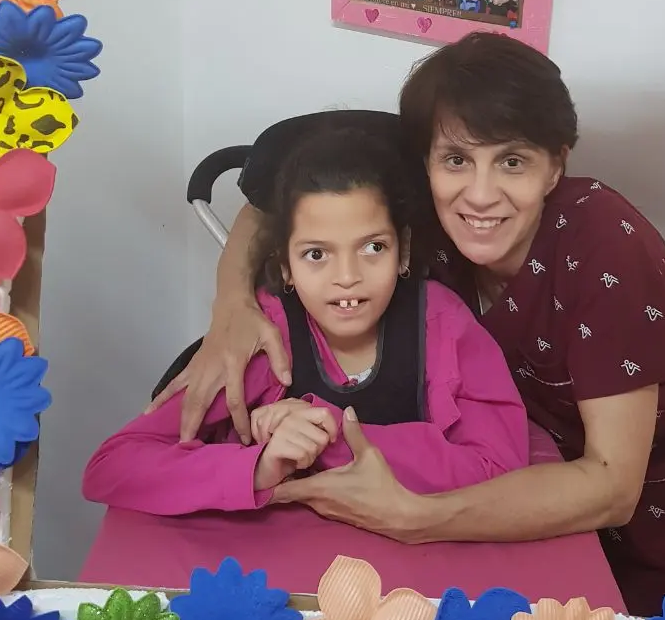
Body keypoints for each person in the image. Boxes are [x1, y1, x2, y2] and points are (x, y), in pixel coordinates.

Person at [151, 33, 665, 616]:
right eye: (456, 160)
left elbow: (612, 486)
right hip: (522, 482)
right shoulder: (426, 213)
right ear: (425, 161)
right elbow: (275, 193)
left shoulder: (604, 246)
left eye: (513, 161)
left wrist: (414, 517)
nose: (481, 194)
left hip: (659, 522)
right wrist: (232, 304)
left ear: (555, 167)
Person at [88, 127, 533, 519]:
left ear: (404, 250)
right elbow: (113, 466)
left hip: (416, 563)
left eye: (373, 247)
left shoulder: (443, 324)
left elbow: (501, 470)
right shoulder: (265, 336)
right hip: (281, 564)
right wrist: (259, 466)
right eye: (316, 254)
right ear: (285, 266)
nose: (347, 276)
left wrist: (329, 435)